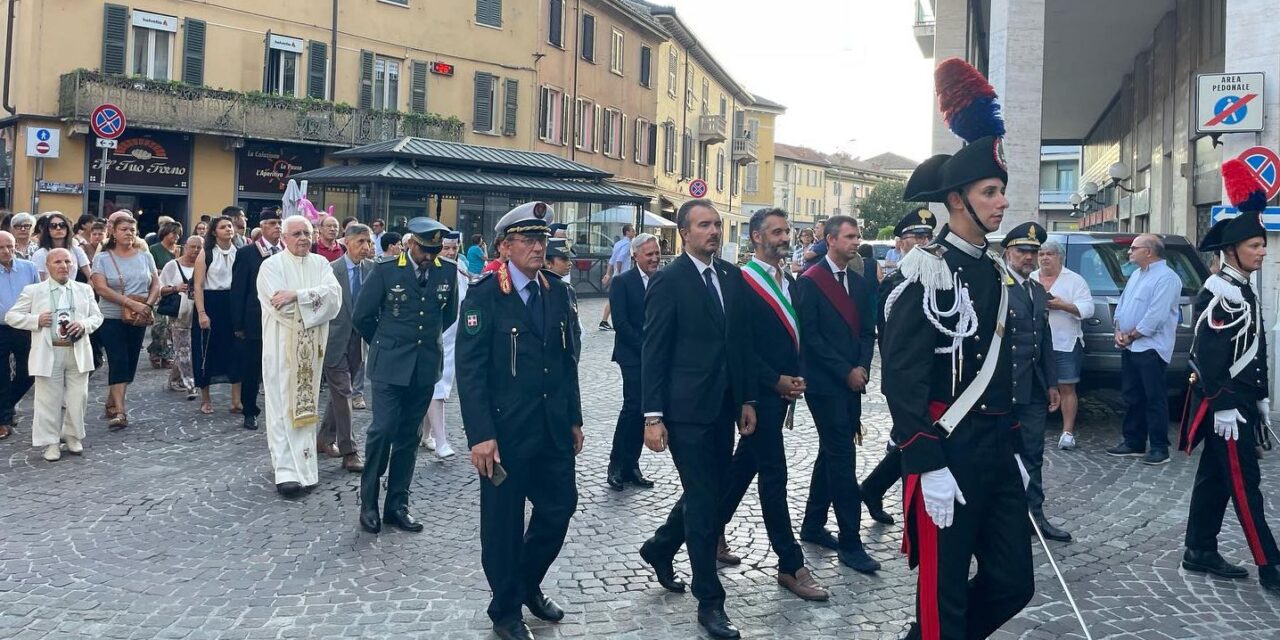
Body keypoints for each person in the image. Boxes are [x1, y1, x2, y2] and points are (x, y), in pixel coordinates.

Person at [880, 58, 1033, 639]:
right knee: (943, 597)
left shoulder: (995, 271)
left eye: (1002, 192)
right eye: (990, 192)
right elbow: (901, 377)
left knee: (1015, 582)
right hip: (947, 450)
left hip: (995, 448)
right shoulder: (925, 273)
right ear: (957, 200)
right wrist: (925, 460)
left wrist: (1013, 442)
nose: (1001, 204)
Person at [456, 202, 579, 640]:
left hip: (551, 428)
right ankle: (505, 609)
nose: (537, 247)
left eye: (542, 240)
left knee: (560, 508)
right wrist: (481, 436)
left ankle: (526, 583)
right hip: (505, 434)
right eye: (527, 240)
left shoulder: (557, 291)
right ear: (505, 247)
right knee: (503, 526)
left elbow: (568, 363)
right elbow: (469, 371)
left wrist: (575, 419)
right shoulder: (486, 294)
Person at [639, 199, 756, 639]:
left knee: (704, 492)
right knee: (705, 503)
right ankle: (711, 602)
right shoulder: (670, 280)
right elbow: (654, 352)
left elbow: (739, 342)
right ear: (684, 233)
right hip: (684, 411)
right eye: (704, 225)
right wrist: (653, 417)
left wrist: (745, 399)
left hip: (723, 407)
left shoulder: (731, 276)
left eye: (717, 224)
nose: (713, 231)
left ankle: (660, 546)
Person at [1179, 159, 1280, 596]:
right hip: (1225, 404)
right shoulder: (1221, 293)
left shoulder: (1241, 288)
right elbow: (1206, 355)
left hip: (1239, 400)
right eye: (1256, 245)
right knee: (1245, 486)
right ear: (1233, 249)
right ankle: (1271, 565)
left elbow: (1248, 350)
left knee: (1216, 479)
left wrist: (1259, 397)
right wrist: (1221, 402)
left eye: (1262, 244)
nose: (1263, 251)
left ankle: (1199, 549)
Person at [716, 208, 828, 601]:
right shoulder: (742, 281)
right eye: (777, 232)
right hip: (755, 394)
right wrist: (772, 380)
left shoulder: (790, 282)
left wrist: (796, 375)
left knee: (743, 467)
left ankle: (700, 532)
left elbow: (796, 334)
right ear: (757, 238)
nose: (785, 237)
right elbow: (739, 346)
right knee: (774, 474)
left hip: (781, 393)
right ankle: (790, 563)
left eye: (787, 231)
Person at [355, 217, 457, 529]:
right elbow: (363, 315)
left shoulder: (447, 271)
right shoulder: (386, 270)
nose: (430, 256)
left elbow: (448, 315)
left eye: (435, 250)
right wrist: (386, 343)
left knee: (409, 437)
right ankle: (368, 503)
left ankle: (397, 505)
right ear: (411, 243)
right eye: (425, 249)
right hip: (389, 365)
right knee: (382, 430)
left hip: (424, 366)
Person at [793, 215, 881, 574]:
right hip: (825, 383)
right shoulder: (810, 282)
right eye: (848, 236)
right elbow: (809, 338)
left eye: (858, 236)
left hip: (852, 381)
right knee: (842, 457)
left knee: (831, 450)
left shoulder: (860, 284)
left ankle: (813, 524)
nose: (855, 241)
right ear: (830, 240)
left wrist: (860, 368)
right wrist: (844, 370)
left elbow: (867, 332)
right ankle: (850, 540)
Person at [859, 206, 942, 526]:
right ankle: (911, 515)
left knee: (912, 441)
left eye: (926, 236)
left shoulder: (936, 276)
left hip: (931, 376)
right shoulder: (896, 281)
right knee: (914, 440)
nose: (922, 242)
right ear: (900, 244)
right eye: (914, 236)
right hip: (905, 378)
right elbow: (891, 340)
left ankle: (873, 488)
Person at [258, 215, 342, 498]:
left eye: (307, 233)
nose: (303, 238)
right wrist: (304, 300)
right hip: (281, 348)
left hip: (311, 350)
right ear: (283, 237)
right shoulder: (271, 266)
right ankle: (285, 472)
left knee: (307, 407)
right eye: (296, 234)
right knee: (282, 405)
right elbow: (280, 307)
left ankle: (306, 469)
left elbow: (334, 298)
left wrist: (297, 294)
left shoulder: (321, 264)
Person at [1001, 222, 1070, 543]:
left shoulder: (1037, 290)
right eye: (1022, 251)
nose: (1028, 258)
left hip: (1032, 388)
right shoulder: (997, 286)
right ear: (1007, 253)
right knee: (997, 456)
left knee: (1033, 454)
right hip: (1001, 388)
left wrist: (1053, 384)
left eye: (1033, 252)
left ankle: (1035, 515)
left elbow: (1045, 342)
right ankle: (1001, 518)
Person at [5, 248, 102, 461]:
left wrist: (84, 324)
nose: (63, 266)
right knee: (49, 399)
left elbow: (97, 317)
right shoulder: (34, 291)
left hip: (77, 350)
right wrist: (35, 320)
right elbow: (12, 316)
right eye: (57, 262)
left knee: (79, 398)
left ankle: (72, 435)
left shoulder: (84, 289)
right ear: (48, 266)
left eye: (67, 261)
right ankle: (50, 442)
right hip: (49, 351)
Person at [1105, 232, 1182, 466]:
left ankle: (1159, 447)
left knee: (1153, 397)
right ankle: (1134, 441)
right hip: (1130, 346)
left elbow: (1155, 317)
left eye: (1134, 248)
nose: (1129, 252)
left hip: (1151, 347)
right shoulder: (1137, 274)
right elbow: (1123, 305)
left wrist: (1130, 336)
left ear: (1148, 252)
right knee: (1131, 395)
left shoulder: (1167, 278)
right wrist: (1119, 330)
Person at [89, 213, 160, 430]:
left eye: (132, 229)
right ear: (113, 232)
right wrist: (131, 303)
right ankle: (120, 411)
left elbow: (156, 283)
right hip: (111, 317)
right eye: (124, 229)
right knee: (118, 360)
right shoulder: (102, 258)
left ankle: (112, 399)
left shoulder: (145, 256)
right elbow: (100, 288)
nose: (129, 233)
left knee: (130, 365)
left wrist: (146, 305)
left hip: (139, 317)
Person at [605, 232, 660, 491]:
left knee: (643, 409)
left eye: (656, 253)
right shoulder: (623, 282)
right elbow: (621, 323)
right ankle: (616, 465)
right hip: (632, 354)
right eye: (649, 254)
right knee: (632, 407)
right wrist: (645, 347)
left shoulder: (663, 280)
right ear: (635, 255)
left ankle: (632, 465)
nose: (654, 258)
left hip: (655, 355)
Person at [317, 223, 373, 473]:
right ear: (346, 242)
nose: (366, 247)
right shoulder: (330, 271)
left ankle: (324, 437)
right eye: (361, 242)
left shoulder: (372, 269)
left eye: (369, 242)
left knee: (341, 393)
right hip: (333, 340)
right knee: (344, 389)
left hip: (358, 340)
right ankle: (349, 450)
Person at [1031, 239, 1093, 450]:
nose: (1044, 258)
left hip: (1065, 341)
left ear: (1060, 257)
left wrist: (1064, 306)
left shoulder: (1075, 280)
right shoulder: (1030, 277)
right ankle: (1032, 427)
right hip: (1035, 343)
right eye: (1041, 254)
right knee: (1033, 386)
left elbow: (1088, 309)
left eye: (1049, 254)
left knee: (1067, 386)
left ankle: (1067, 432)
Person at [231, 209, 284, 430]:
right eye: (272, 223)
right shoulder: (248, 253)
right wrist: (238, 324)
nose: (277, 227)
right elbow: (238, 291)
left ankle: (279, 411)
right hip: (255, 320)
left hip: (282, 319)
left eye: (279, 223)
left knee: (280, 368)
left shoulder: (286, 252)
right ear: (262, 227)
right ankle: (250, 411)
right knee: (252, 369)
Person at [420, 231, 471, 459]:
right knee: (437, 387)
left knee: (439, 387)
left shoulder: (459, 269)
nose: (451, 252)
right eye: (446, 248)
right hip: (436, 335)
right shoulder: (432, 270)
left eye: (454, 247)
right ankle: (441, 441)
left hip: (455, 336)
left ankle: (426, 434)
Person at [192, 216, 243, 415]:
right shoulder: (206, 254)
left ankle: (236, 400)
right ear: (214, 232)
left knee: (236, 351)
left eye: (230, 226)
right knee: (206, 351)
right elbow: (198, 285)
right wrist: (202, 312)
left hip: (233, 303)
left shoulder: (239, 252)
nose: (228, 229)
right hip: (211, 302)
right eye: (223, 227)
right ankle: (205, 399)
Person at [0, 231, 39, 440]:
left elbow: (39, 296)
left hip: (24, 327)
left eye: (10, 246)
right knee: (1, 375)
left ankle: (5, 406)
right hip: (0, 327)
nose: (7, 251)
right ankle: (3, 420)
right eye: (1, 248)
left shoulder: (29, 268)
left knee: (29, 371)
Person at [160, 235, 201, 398]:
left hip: (199, 312)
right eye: (193, 247)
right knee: (184, 348)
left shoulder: (204, 265)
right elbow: (159, 289)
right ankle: (191, 384)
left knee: (190, 347)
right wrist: (175, 288)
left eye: (199, 247)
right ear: (185, 247)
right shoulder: (172, 266)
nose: (196, 251)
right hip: (180, 314)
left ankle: (175, 378)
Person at [142, 220, 182, 370]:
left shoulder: (180, 250)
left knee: (172, 327)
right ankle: (156, 352)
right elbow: (150, 270)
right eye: (173, 233)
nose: (176, 237)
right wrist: (163, 272)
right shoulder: (154, 250)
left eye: (178, 234)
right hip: (159, 289)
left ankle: (166, 354)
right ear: (165, 233)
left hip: (177, 292)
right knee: (160, 325)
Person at [32, 213, 93, 282]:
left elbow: (90, 276)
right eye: (53, 226)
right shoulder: (40, 254)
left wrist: (85, 290)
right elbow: (39, 281)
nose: (58, 228)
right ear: (48, 230)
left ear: (67, 228)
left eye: (62, 225)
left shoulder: (77, 250)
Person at [598, 224, 636, 331]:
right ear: (627, 232)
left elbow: (612, 260)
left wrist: (608, 274)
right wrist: (619, 274)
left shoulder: (618, 243)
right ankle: (605, 321)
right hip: (623, 275)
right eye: (632, 230)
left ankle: (605, 321)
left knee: (615, 299)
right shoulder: (628, 244)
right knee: (619, 299)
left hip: (617, 275)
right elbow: (619, 259)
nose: (634, 232)